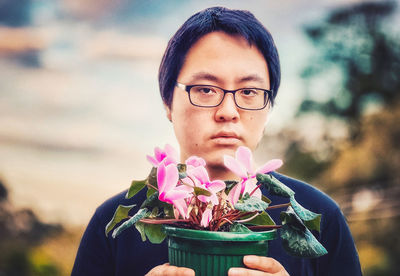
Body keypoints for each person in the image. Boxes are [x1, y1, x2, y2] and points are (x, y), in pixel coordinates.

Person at [72, 7, 362, 276]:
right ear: (168, 102)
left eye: (249, 91)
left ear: (268, 105)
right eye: (206, 89)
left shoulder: (321, 218)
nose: (228, 112)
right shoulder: (115, 223)